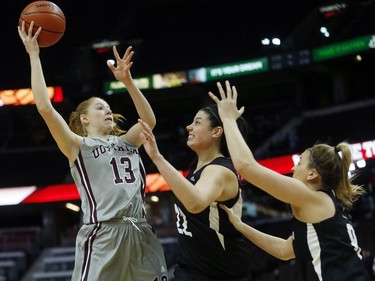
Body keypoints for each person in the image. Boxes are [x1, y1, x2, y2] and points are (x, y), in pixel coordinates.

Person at [18, 21, 168, 281]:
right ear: (84, 119)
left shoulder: (127, 142)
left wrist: (128, 82)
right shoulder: (78, 145)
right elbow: (44, 107)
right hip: (104, 234)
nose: (108, 110)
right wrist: (34, 55)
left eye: (109, 107)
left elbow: (149, 122)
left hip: (140, 230)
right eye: (100, 108)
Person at [208, 80, 371, 281]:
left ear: (313, 174)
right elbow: (285, 250)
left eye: (300, 162)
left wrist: (228, 119)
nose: (293, 168)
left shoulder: (312, 198)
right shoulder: (320, 210)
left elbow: (245, 166)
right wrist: (240, 225)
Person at [138, 102, 253, 280]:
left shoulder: (220, 171)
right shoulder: (199, 170)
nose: (189, 127)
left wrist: (157, 157)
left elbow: (195, 203)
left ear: (216, 132)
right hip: (191, 270)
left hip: (218, 273)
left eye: (197, 122)